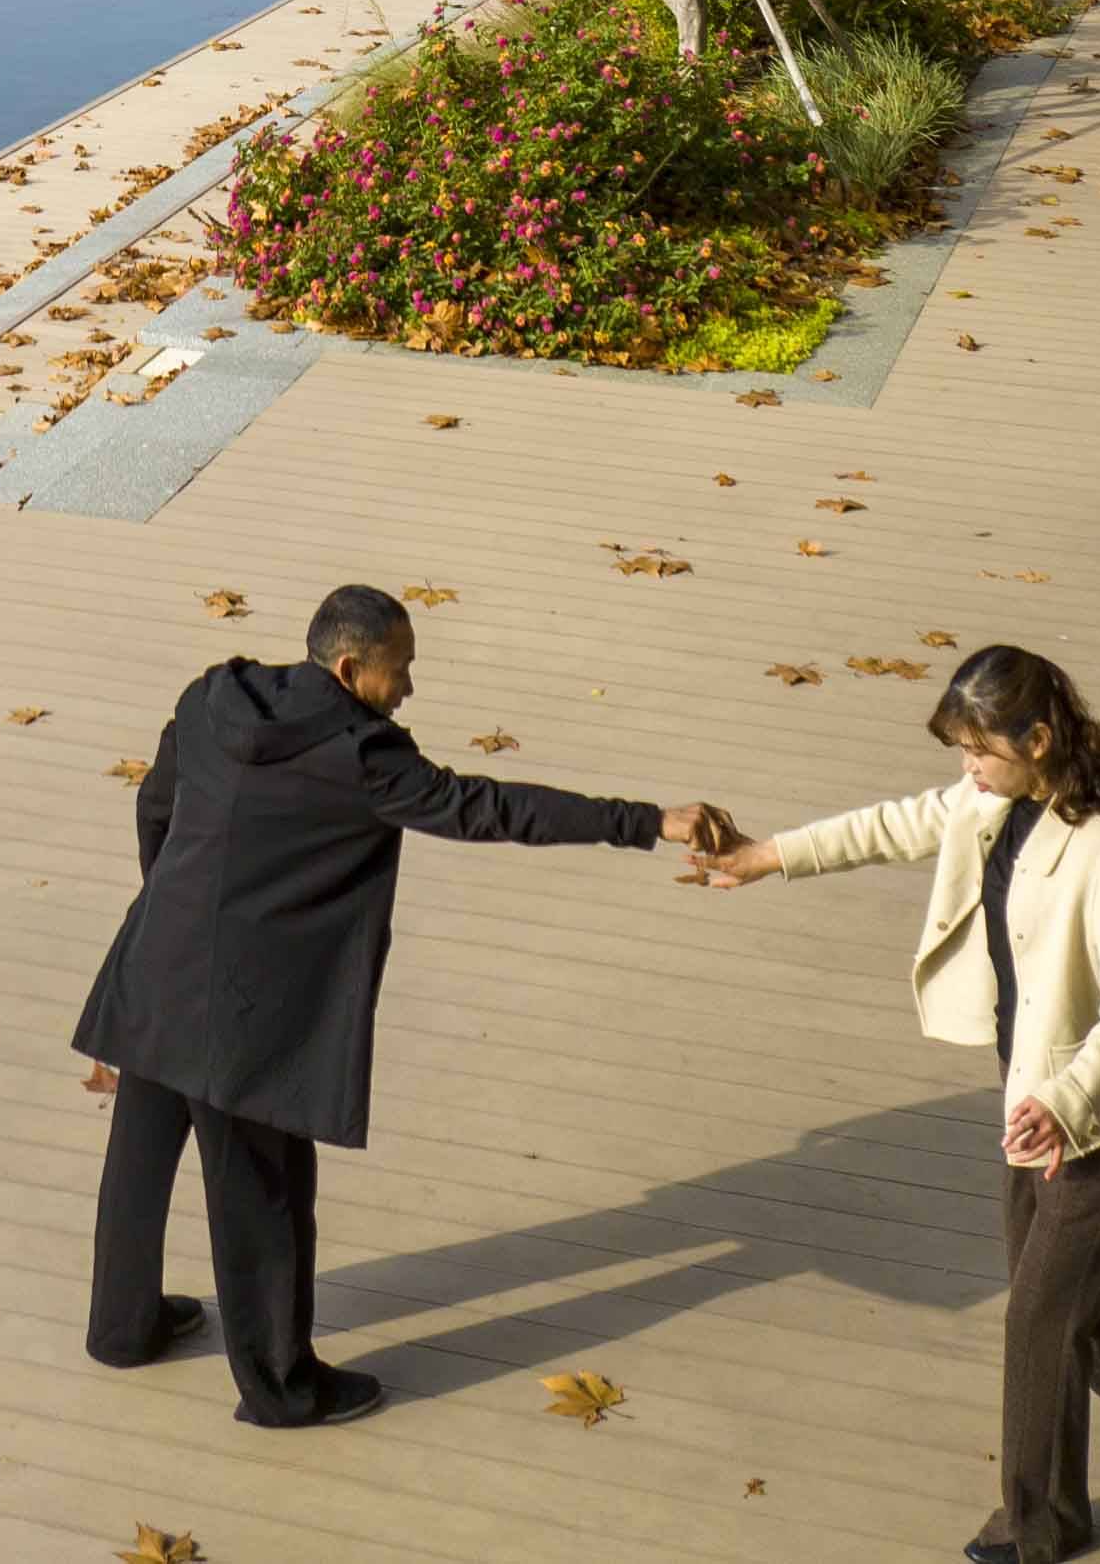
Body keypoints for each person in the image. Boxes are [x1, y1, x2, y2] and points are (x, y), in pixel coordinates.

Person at [75, 586, 726, 1426]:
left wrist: (168, 912)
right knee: (262, 1195)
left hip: (155, 964)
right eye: (401, 670)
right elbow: (489, 809)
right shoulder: (359, 756)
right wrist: (645, 821)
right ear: (349, 668)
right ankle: (281, 1387)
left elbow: (154, 806)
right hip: (243, 1015)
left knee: (139, 1150)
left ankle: (123, 1328)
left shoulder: (212, 696)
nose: (409, 688)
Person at [698, 646, 1100, 1564]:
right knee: (1063, 1302)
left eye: (979, 750)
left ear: (1038, 738)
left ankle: (1037, 1524)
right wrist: (763, 857)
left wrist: (1065, 1099)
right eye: (960, 751)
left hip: (1098, 1121)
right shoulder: (991, 803)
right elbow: (891, 824)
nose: (965, 769)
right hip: (1029, 1098)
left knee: (1036, 1317)